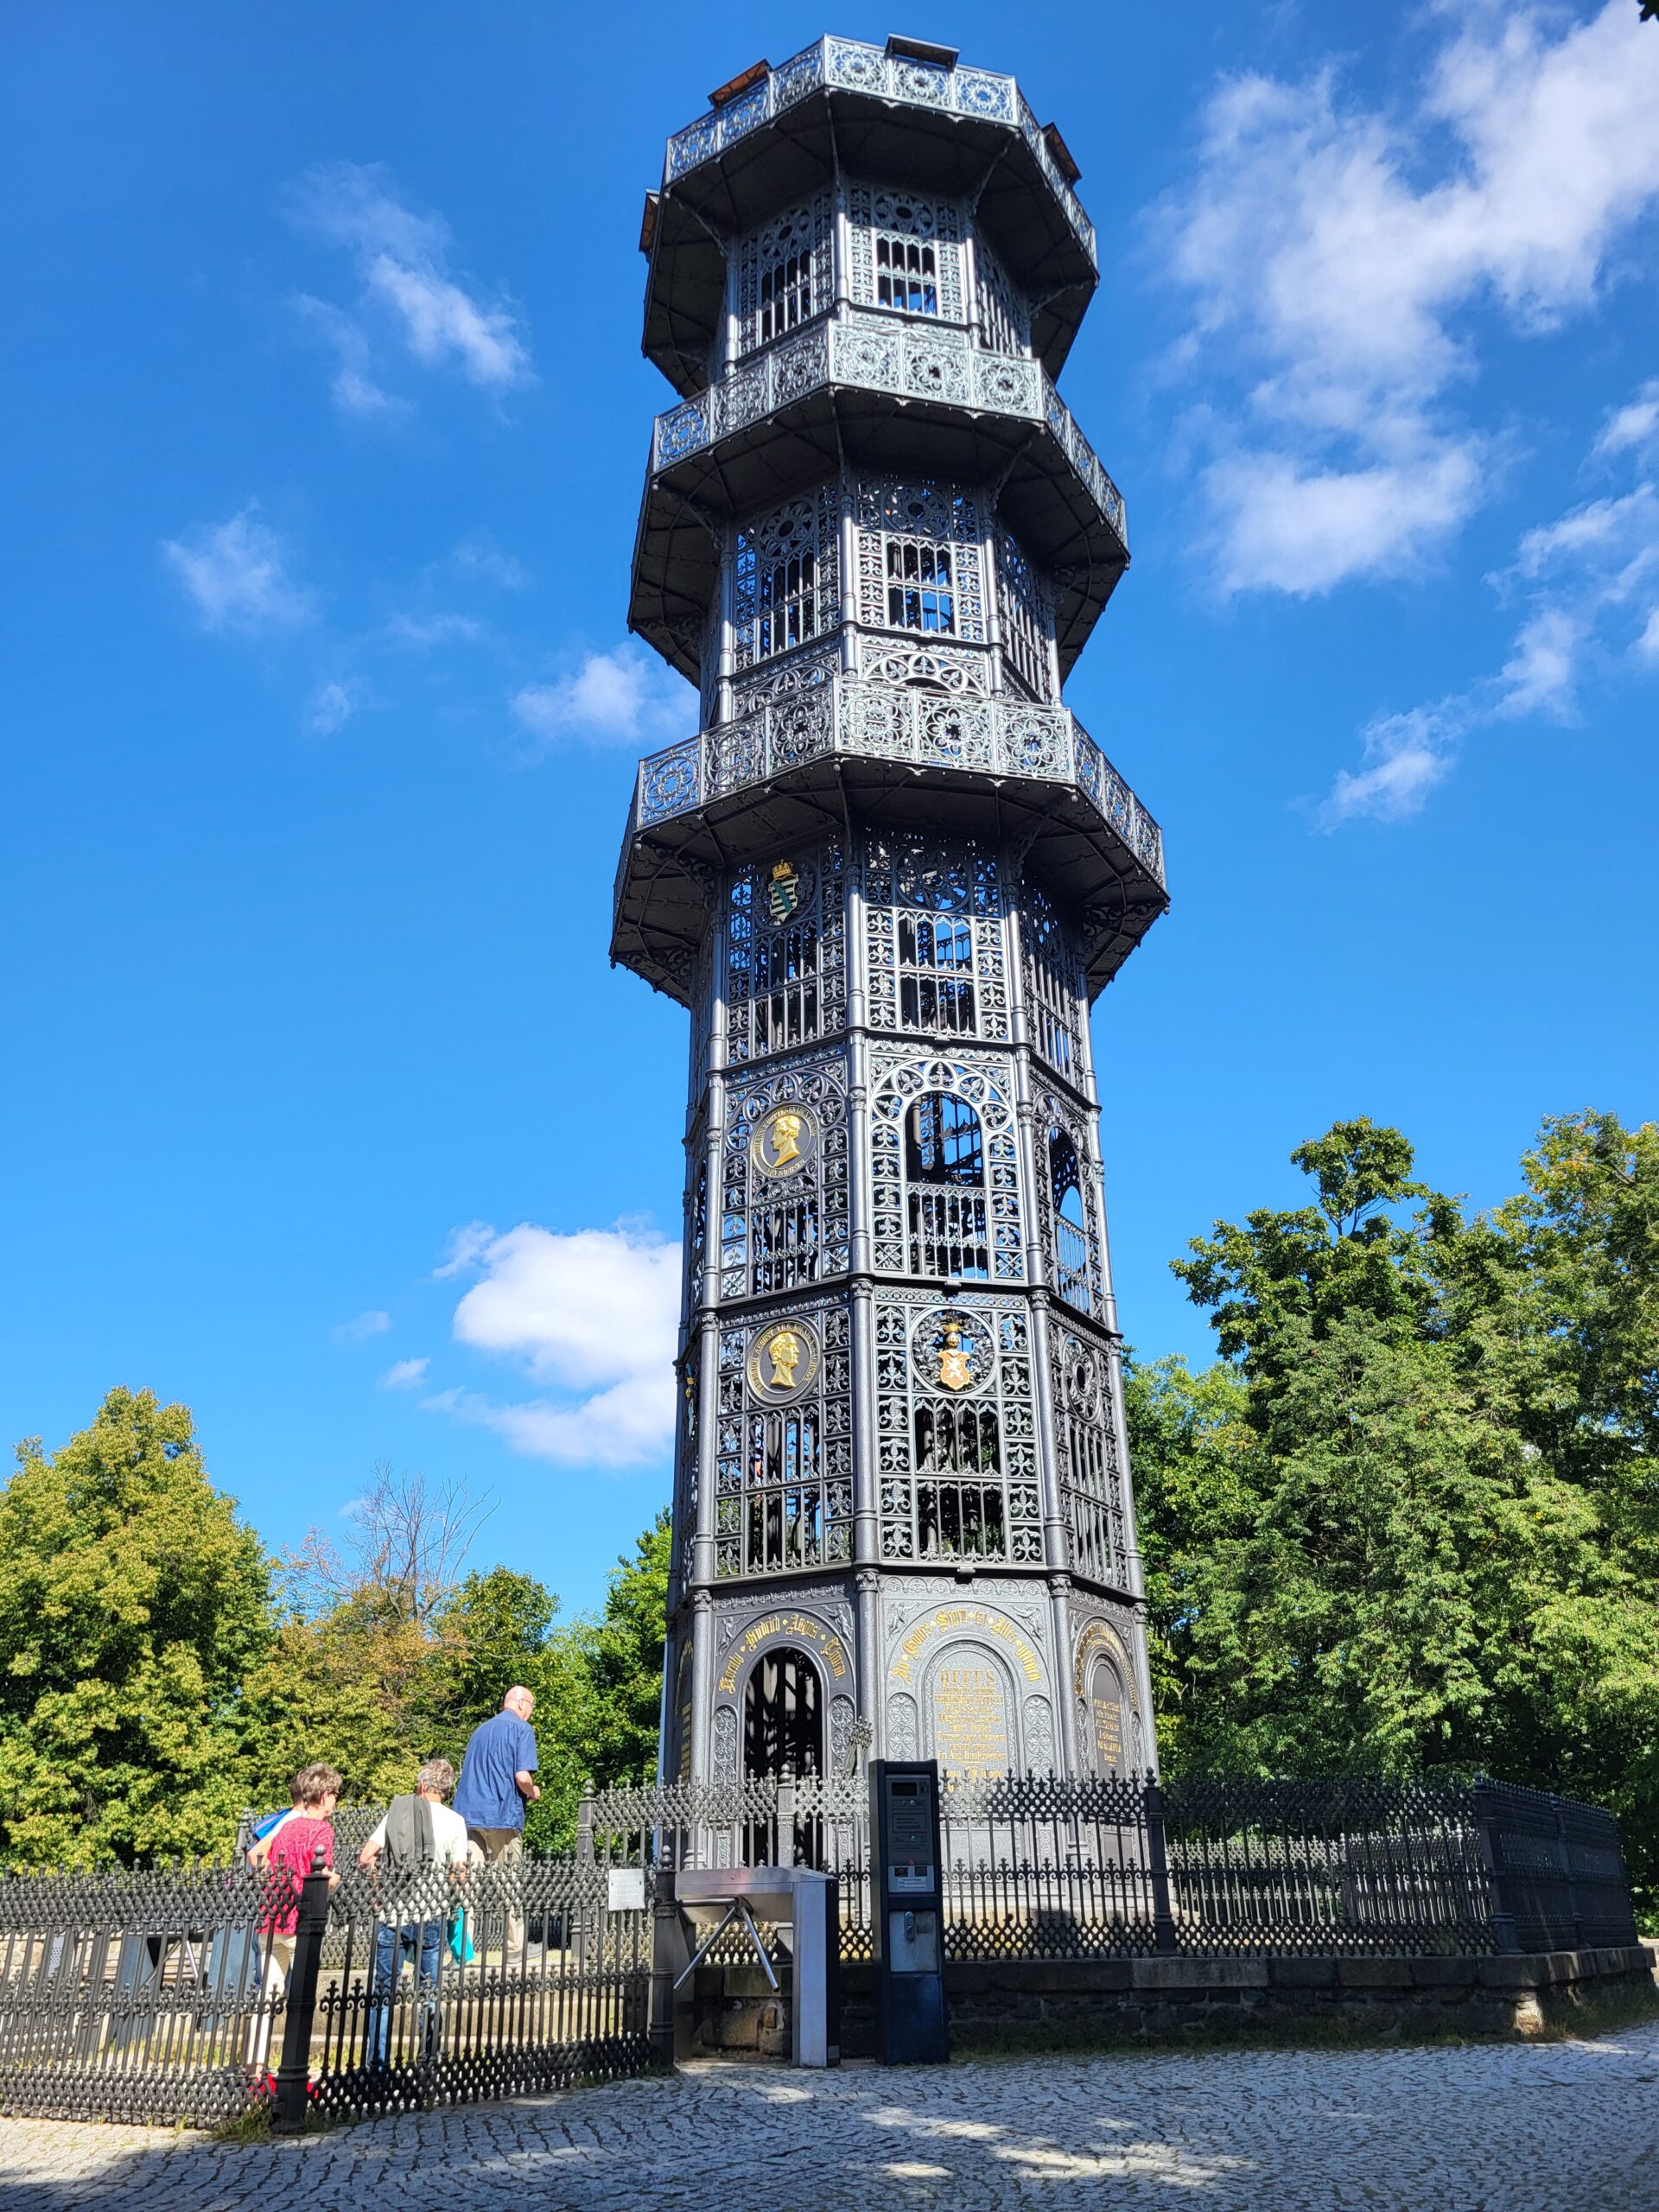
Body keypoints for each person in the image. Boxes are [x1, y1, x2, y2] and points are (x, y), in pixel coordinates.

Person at [359, 1758, 467, 2066]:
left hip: (393, 1913)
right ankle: (428, 2060)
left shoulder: (399, 1812)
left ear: (421, 1785)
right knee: (429, 1990)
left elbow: (367, 1856)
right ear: (446, 1789)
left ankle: (377, 2064)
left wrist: (379, 1893)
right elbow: (459, 1872)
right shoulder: (456, 1821)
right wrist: (456, 1899)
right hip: (431, 1911)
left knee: (382, 1991)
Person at [246, 1763, 342, 2071]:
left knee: (267, 1995)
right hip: (302, 1919)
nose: (336, 1801)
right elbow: (320, 1874)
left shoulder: (286, 1826)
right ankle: (294, 2064)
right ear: (325, 1795)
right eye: (335, 1794)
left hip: (272, 1916)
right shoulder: (322, 1829)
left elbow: (265, 1860)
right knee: (301, 1997)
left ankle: (255, 2063)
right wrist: (336, 1879)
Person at [453, 1688, 541, 1959]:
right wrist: (533, 1791)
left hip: (469, 1817)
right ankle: (515, 1948)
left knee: (467, 1886)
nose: (530, 1714)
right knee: (510, 1883)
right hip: (503, 1816)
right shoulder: (522, 1730)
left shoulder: (479, 1732)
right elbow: (522, 1776)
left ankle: (461, 1950)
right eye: (532, 1708)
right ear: (522, 1703)